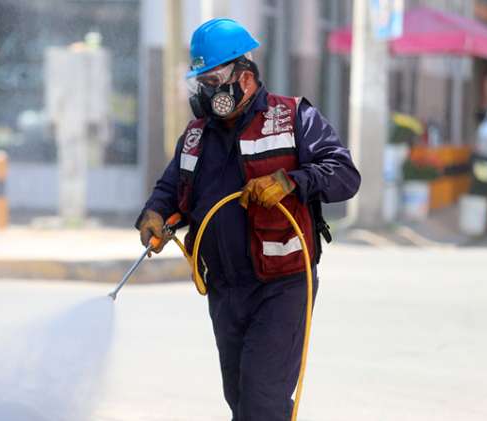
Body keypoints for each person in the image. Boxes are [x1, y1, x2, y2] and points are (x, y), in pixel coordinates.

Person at [136, 18, 361, 421]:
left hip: (283, 286)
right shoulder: (195, 135)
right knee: (241, 399)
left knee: (262, 401)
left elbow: (345, 175)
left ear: (245, 75)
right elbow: (172, 188)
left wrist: (293, 182)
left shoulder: (293, 118)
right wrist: (153, 212)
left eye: (214, 80)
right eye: (201, 83)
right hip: (226, 289)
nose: (207, 92)